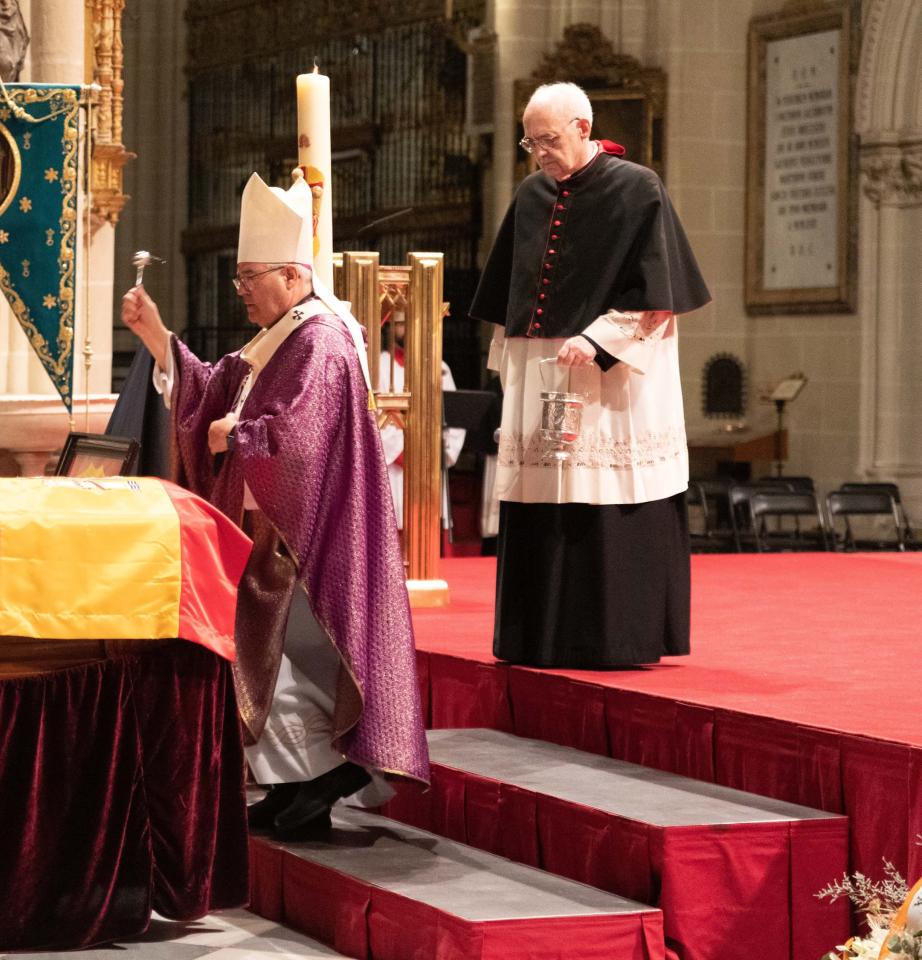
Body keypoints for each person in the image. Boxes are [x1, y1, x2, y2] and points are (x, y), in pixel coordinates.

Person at [121, 173, 428, 841]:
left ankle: (328, 775)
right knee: (268, 663)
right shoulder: (276, 337)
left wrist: (243, 435)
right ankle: (302, 782)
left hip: (306, 544)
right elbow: (211, 389)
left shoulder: (321, 339)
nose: (242, 292)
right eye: (238, 280)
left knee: (279, 662)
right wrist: (156, 336)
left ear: (292, 275)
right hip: (265, 531)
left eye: (249, 278)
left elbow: (302, 437)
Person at [469, 82, 709, 668]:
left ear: (584, 127)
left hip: (611, 382)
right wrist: (515, 357)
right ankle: (538, 636)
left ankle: (610, 639)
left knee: (603, 500)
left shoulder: (638, 188)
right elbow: (513, 292)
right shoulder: (530, 194)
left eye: (548, 139)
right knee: (542, 501)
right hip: (544, 377)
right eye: (531, 141)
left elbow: (657, 299)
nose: (538, 152)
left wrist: (597, 339)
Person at [375, 310, 465, 529]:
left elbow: (453, 416)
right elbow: (373, 413)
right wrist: (397, 450)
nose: (406, 330)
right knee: (392, 527)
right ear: (389, 328)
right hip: (393, 463)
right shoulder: (378, 365)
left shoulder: (439, 367)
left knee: (426, 529)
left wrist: (442, 453)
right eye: (400, 324)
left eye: (410, 323)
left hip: (427, 460)